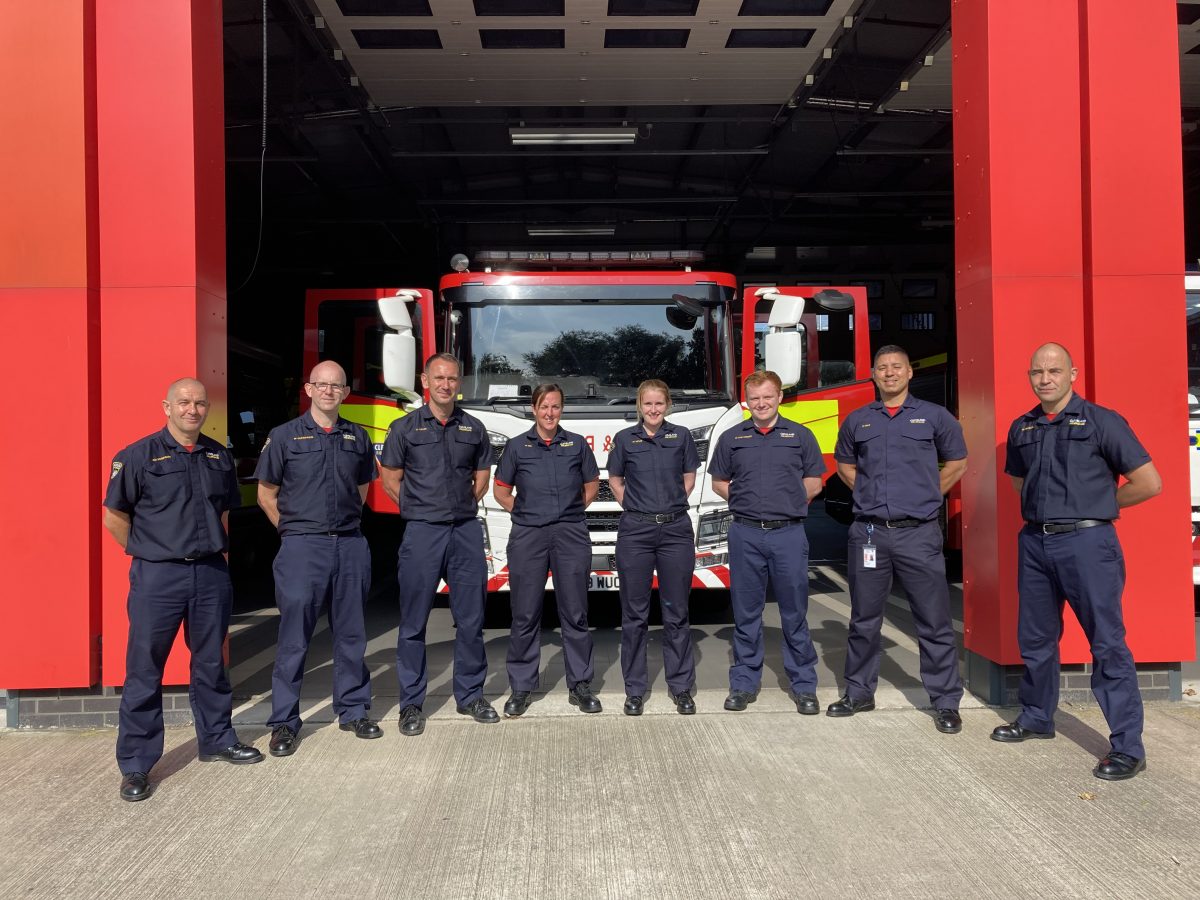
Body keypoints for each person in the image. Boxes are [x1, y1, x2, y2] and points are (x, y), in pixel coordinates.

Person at [992, 342, 1162, 780]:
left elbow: (1148, 482)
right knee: (1035, 639)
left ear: (1073, 374)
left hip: (1088, 545)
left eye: (1053, 370)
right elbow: (1019, 482)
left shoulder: (1102, 421)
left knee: (1107, 644)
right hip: (1035, 543)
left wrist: (1099, 505)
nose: (1044, 378)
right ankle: (1036, 717)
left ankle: (1127, 746)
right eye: (1037, 372)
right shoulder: (1022, 427)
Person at [103, 378, 262, 802]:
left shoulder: (218, 456)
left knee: (211, 662)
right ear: (166, 407)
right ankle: (136, 764)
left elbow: (222, 512)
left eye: (199, 403)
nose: (192, 410)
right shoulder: (137, 456)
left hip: (209, 573)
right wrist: (150, 552)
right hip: (158, 576)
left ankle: (216, 740)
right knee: (145, 668)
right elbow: (114, 516)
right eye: (184, 403)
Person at [828, 345, 968, 732]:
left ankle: (944, 700)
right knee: (863, 619)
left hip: (919, 534)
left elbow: (958, 463)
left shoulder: (935, 417)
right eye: (882, 368)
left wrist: (926, 495)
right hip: (870, 533)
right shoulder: (859, 420)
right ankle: (858, 692)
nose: (889, 374)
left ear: (909, 373)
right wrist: (869, 495)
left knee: (933, 620)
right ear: (873, 375)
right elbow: (844, 464)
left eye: (896, 368)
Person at [254, 360, 382, 757]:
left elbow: (362, 487)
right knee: (294, 638)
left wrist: (342, 526)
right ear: (308, 389)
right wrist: (290, 532)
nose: (329, 391)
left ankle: (353, 709)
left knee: (351, 633)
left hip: (348, 544)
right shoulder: (284, 437)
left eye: (337, 386)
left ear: (345, 392)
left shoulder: (357, 437)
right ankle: (284, 723)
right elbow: (265, 493)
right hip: (302, 547)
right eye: (321, 385)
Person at [380, 353, 497, 735]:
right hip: (422, 533)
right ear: (425, 380)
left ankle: (470, 695)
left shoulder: (474, 428)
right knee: (414, 622)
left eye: (452, 378)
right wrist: (417, 510)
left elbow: (481, 478)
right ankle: (411, 705)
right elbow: (390, 479)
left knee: (471, 620)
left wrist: (460, 506)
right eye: (439, 378)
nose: (446, 385)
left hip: (464, 531)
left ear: (459, 383)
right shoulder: (404, 428)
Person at [709, 370, 826, 714]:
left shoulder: (800, 435)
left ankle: (804, 685)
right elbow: (719, 482)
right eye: (755, 398)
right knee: (746, 613)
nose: (761, 403)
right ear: (747, 402)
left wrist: (785, 505)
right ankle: (743, 684)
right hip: (745, 532)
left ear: (779, 397)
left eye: (767, 396)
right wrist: (749, 503)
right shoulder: (732, 437)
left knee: (795, 613)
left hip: (788, 533)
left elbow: (814, 482)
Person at [493, 384, 602, 717]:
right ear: (534, 408)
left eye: (555, 407)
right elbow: (500, 490)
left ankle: (580, 685)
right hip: (528, 535)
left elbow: (591, 485)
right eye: (544, 407)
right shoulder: (516, 447)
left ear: (562, 409)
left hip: (570, 533)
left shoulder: (576, 444)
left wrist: (567, 513)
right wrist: (527, 514)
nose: (550, 413)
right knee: (525, 613)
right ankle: (522, 687)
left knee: (575, 612)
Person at [607, 379, 701, 716]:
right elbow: (615, 479)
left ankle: (680, 688)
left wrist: (673, 503)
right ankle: (634, 689)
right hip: (636, 531)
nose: (653, 409)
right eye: (647, 404)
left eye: (659, 403)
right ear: (639, 406)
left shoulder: (681, 436)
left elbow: (689, 475)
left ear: (668, 404)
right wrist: (634, 505)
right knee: (634, 615)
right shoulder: (624, 439)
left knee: (677, 613)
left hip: (675, 530)